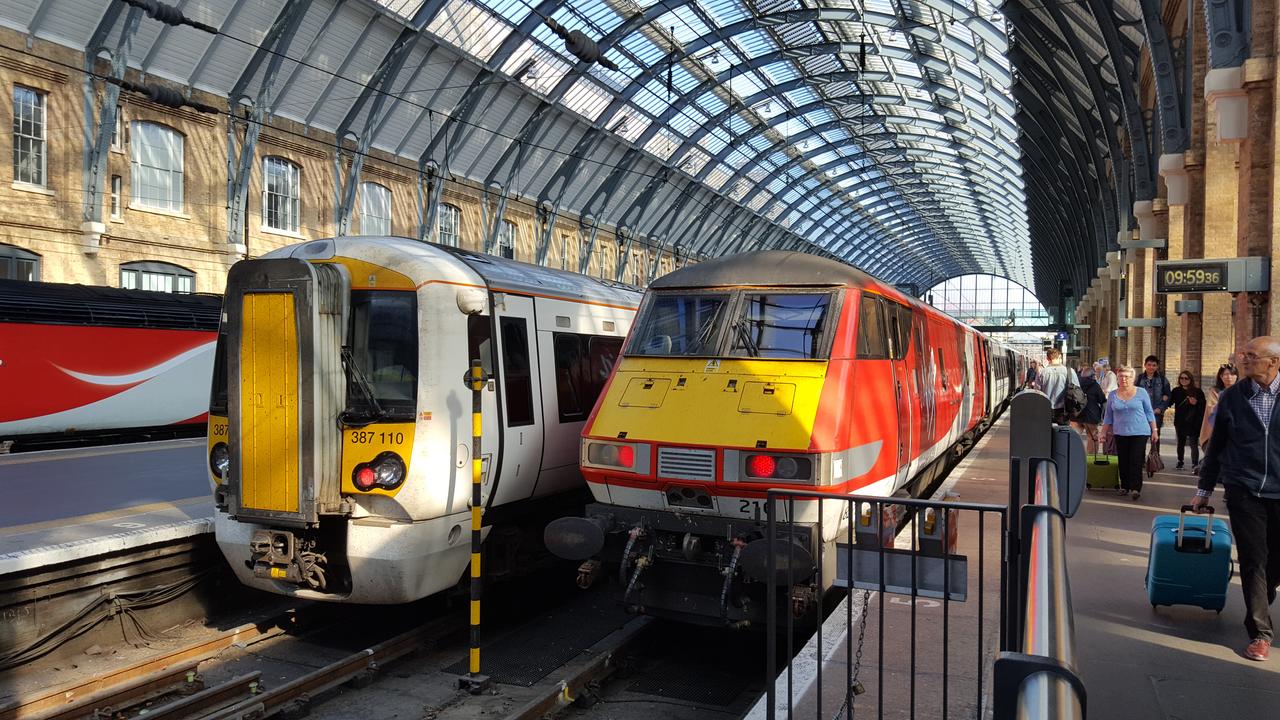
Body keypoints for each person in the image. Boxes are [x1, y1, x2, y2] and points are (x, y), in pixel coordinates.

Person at [1193, 337, 1280, 662]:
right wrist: (1204, 490)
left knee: (1273, 562)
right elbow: (1216, 448)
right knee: (1253, 558)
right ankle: (1260, 631)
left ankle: (1263, 590)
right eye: (1243, 355)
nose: (1243, 360)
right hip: (1243, 489)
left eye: (1251, 356)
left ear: (1273, 363)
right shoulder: (1232, 398)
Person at [1102, 365, 1158, 501]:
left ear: (1132, 378)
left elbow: (1149, 412)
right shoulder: (1113, 395)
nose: (1124, 379)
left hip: (1140, 431)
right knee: (1123, 460)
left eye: (1127, 376)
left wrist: (1154, 430)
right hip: (1120, 432)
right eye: (1121, 376)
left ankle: (1135, 488)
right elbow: (1108, 416)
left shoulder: (1141, 392)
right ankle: (1125, 485)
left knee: (1136, 460)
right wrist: (1103, 433)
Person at [1170, 370, 1206, 470]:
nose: (1184, 380)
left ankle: (1195, 464)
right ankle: (1180, 461)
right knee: (1180, 443)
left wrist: (1196, 403)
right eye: (1181, 378)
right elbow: (1170, 402)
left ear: (1190, 379)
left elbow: (1203, 406)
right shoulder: (1176, 391)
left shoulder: (1197, 391)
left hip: (1193, 421)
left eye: (1186, 378)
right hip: (1180, 420)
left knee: (1193, 443)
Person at [1199, 363, 1239, 453]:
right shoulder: (1215, 391)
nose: (1229, 377)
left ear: (1236, 376)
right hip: (1216, 430)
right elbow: (1211, 409)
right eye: (1225, 374)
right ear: (1221, 377)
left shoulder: (1241, 391)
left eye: (1232, 374)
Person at [1035, 347, 1081, 424]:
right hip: (1064, 410)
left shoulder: (1041, 372)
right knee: (1063, 433)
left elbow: (1037, 391)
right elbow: (1077, 389)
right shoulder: (1070, 371)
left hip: (1046, 409)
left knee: (1045, 433)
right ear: (1060, 357)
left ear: (1047, 358)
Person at [1074, 365, 1108, 454]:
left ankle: (1076, 456)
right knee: (1092, 437)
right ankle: (1091, 457)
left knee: (1075, 437)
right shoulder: (1094, 385)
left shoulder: (1076, 383)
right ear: (1092, 375)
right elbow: (1102, 400)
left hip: (1076, 415)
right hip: (1091, 415)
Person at [1136, 355, 1172, 436]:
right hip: (1142, 412)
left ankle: (1154, 449)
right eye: (1149, 365)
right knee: (1141, 436)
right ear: (1144, 365)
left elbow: (1168, 395)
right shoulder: (1139, 378)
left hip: (1156, 413)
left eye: (1154, 365)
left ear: (1157, 367)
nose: (1151, 367)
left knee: (1155, 437)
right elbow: (1135, 394)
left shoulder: (1162, 379)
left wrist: (1160, 408)